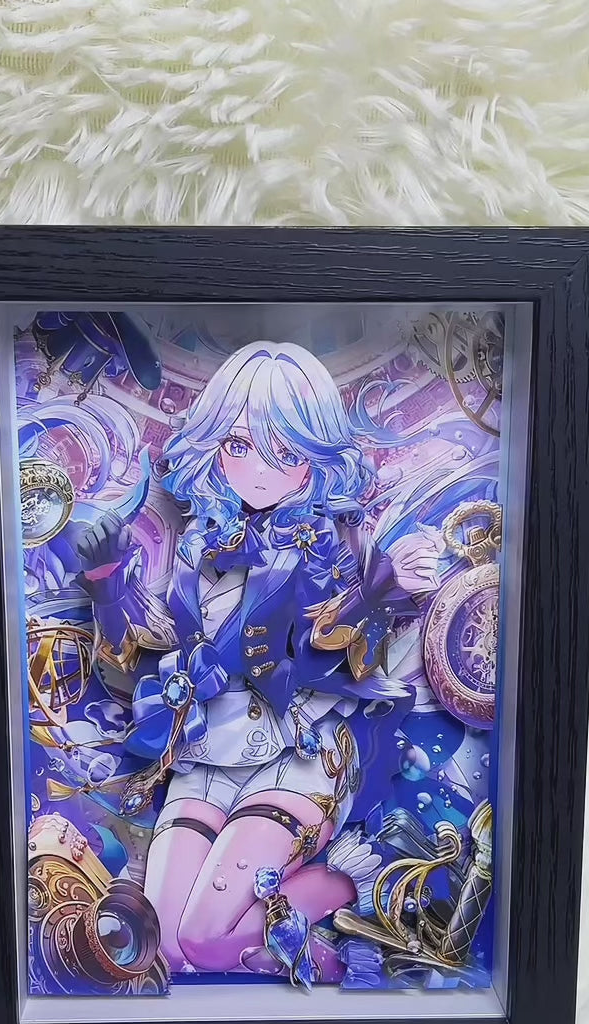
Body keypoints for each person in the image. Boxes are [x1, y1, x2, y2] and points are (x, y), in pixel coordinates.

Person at [76, 341, 442, 979]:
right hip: (204, 756)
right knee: (165, 948)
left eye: (287, 453)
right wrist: (107, 587)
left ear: (315, 461)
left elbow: (328, 651)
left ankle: (340, 899)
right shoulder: (199, 548)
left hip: (294, 757)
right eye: (242, 446)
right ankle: (311, 936)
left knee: (200, 940)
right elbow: (146, 655)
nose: (262, 471)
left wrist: (381, 587)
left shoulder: (327, 545)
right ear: (216, 448)